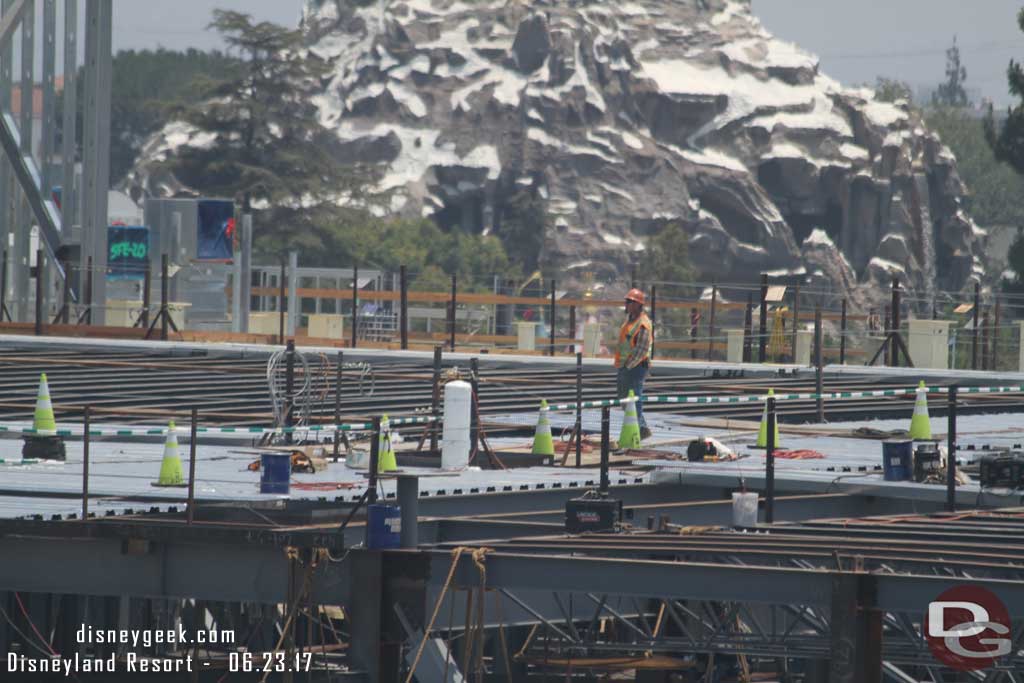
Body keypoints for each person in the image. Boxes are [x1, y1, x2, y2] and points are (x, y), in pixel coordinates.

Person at [615, 288, 653, 440]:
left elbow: (642, 348)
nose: (626, 304)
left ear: (638, 305)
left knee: (634, 397)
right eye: (627, 301)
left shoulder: (643, 323)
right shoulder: (630, 320)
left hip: (636, 367)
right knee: (625, 398)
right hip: (625, 365)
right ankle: (640, 426)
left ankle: (639, 428)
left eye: (630, 302)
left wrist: (629, 366)